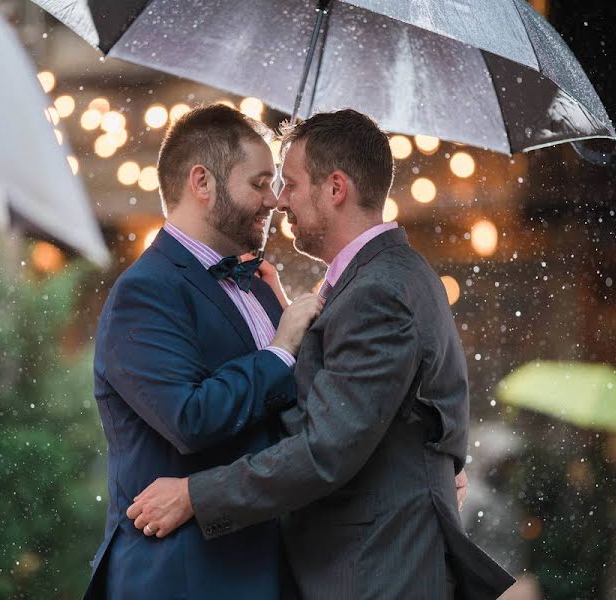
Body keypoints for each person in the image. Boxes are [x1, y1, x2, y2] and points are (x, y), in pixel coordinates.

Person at [128, 109, 516, 598]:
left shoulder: (379, 292)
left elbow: (325, 449)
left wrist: (194, 495)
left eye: (288, 183)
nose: (279, 201)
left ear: (335, 189)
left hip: (375, 571)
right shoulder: (381, 279)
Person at [84, 104, 322, 599]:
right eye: (259, 183)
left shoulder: (257, 284)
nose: (274, 200)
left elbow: (291, 416)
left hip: (271, 566)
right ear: (202, 182)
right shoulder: (144, 292)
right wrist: (280, 350)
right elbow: (191, 418)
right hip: (187, 576)